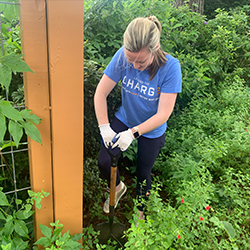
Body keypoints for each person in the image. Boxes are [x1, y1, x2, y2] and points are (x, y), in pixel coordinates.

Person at [94, 16, 182, 222]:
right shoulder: (123, 56)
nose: (133, 65)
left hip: (152, 128)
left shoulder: (170, 68)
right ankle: (117, 188)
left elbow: (163, 114)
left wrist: (133, 133)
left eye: (140, 61)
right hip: (126, 118)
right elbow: (100, 93)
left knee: (143, 171)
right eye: (129, 59)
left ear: (156, 48)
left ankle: (140, 213)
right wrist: (104, 128)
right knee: (104, 161)